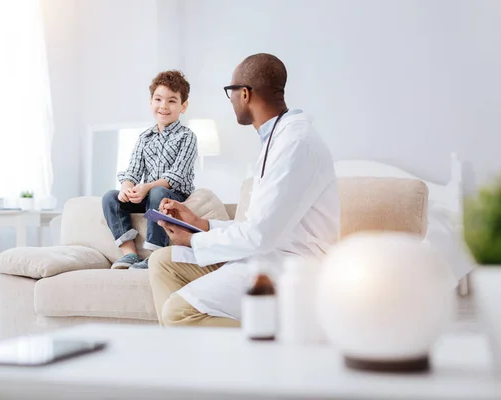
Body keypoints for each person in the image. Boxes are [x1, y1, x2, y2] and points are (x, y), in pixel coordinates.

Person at [148, 53, 340, 326]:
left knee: (178, 312)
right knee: (163, 262)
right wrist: (200, 224)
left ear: (246, 94)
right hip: (266, 253)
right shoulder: (276, 138)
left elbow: (259, 236)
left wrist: (192, 239)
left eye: (231, 92)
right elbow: (256, 226)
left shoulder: (295, 143)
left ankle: (263, 353)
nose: (232, 101)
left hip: (291, 267)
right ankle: (189, 358)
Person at [102, 70, 198, 270]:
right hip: (148, 194)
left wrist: (147, 187)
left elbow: (175, 176)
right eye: (158, 99)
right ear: (151, 102)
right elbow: (133, 171)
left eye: (172, 101)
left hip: (172, 194)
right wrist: (127, 188)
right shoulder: (145, 137)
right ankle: (130, 254)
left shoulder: (187, 136)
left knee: (157, 192)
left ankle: (156, 254)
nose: (164, 106)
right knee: (111, 197)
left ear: (183, 106)